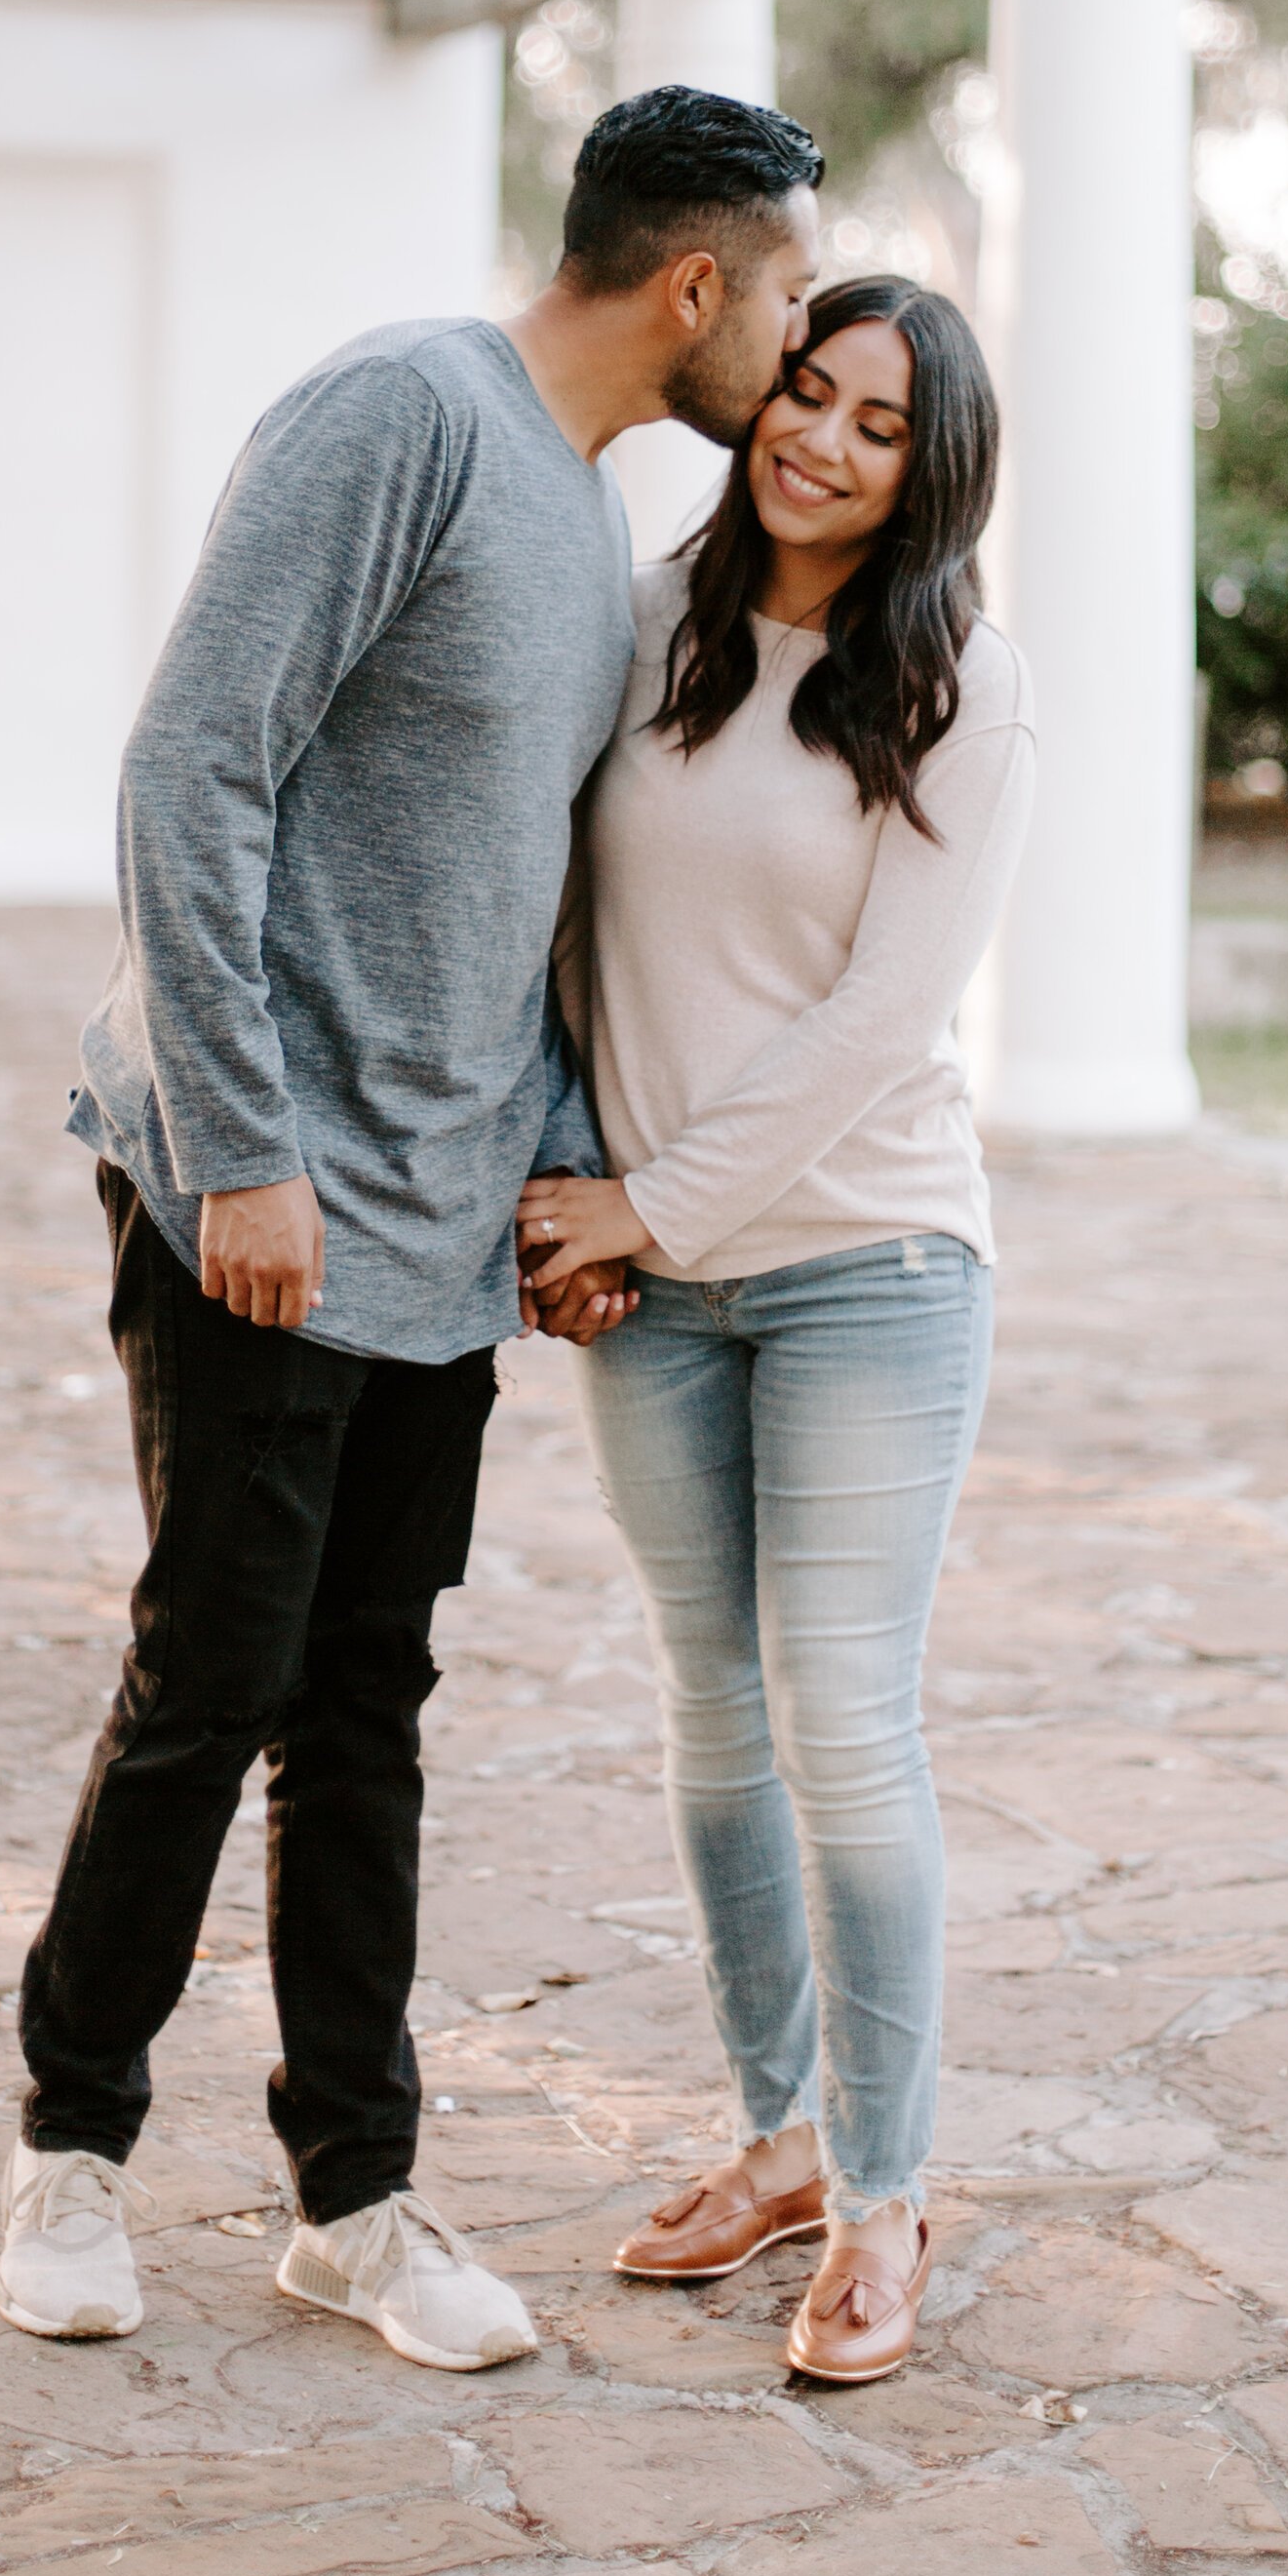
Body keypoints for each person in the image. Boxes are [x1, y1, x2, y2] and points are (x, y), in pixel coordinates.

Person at [0, 85, 824, 2370]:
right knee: (213, 1679)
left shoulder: (571, 518)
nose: (787, 334)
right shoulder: (401, 414)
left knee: (362, 1710)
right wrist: (239, 1145)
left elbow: (508, 903)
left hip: (442, 1228)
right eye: (780, 293)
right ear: (692, 285)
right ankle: (66, 2150)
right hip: (259, 1201)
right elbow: (194, 764)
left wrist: (554, 1176)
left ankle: (351, 2198)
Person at [518, 274, 1034, 2387]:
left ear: (933, 471)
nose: (816, 438)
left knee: (842, 1718)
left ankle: (890, 2187)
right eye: (803, 393)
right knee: (707, 1713)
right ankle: (775, 2138)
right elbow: (555, 926)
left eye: (876, 423)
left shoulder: (956, 688)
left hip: (866, 1266)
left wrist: (652, 1195)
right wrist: (575, 1193)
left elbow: (880, 1022)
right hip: (652, 1285)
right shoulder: (642, 624)